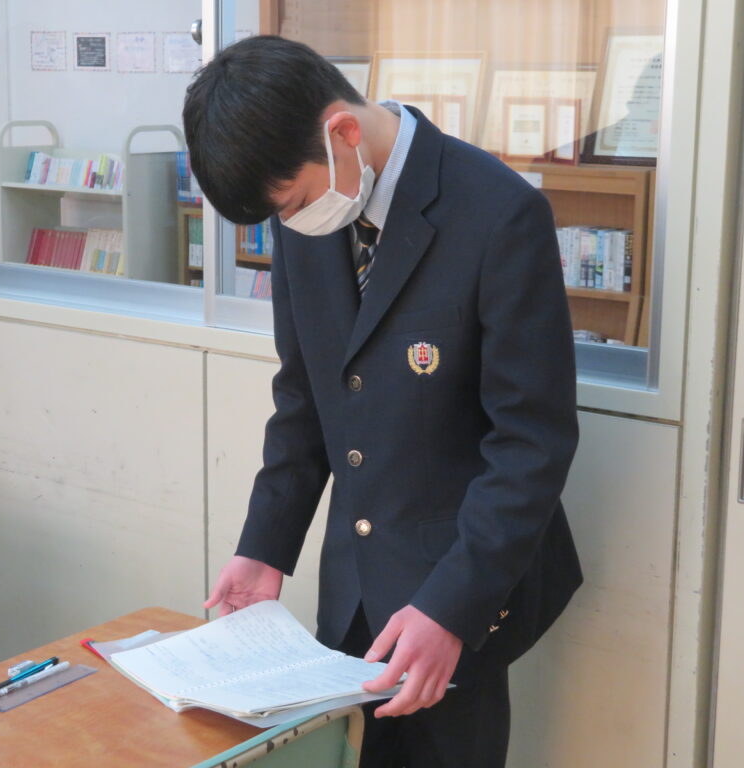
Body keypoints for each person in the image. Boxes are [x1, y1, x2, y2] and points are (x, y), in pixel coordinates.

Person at [183, 35, 582, 768]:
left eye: (294, 203)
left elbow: (531, 444)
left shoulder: (499, 213)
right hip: (354, 586)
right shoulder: (309, 209)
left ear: (341, 132)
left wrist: (451, 608)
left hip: (461, 588)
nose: (293, 222)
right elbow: (305, 395)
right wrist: (264, 546)